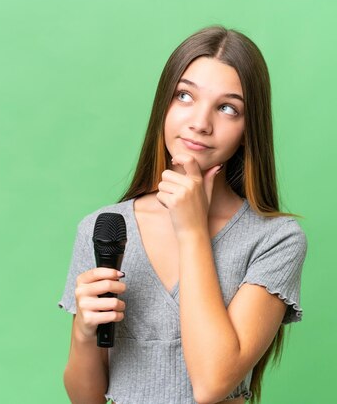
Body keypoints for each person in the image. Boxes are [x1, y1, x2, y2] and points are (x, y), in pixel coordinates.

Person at [58, 25, 307, 404]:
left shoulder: (276, 239)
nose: (200, 123)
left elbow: (212, 385)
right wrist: (83, 333)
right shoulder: (104, 228)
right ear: (165, 105)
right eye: (185, 96)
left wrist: (191, 230)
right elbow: (85, 398)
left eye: (228, 107)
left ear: (248, 128)